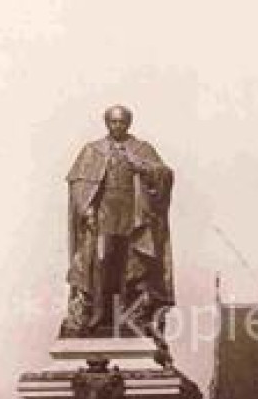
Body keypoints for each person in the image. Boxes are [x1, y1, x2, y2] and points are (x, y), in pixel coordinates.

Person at [62, 105, 175, 340]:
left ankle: (130, 316)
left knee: (131, 267)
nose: (118, 126)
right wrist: (88, 209)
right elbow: (79, 185)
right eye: (113, 122)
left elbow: (164, 174)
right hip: (104, 217)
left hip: (132, 218)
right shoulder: (92, 150)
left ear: (128, 123)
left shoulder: (142, 149)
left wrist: (143, 168)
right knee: (100, 264)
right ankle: (95, 315)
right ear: (107, 123)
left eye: (122, 122)